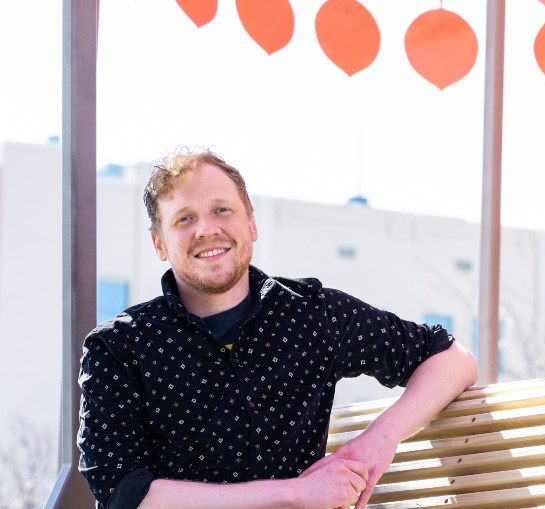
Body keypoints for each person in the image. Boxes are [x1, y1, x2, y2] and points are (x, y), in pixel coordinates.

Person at [77, 147, 479, 509]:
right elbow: (123, 495)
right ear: (159, 244)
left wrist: (378, 442)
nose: (206, 229)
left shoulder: (313, 314)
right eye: (184, 218)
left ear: (252, 224)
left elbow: (451, 358)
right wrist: (295, 493)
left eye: (222, 210)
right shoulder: (118, 346)